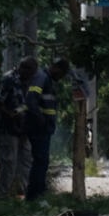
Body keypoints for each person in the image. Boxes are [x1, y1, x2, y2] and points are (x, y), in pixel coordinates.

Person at [24, 57, 70, 201]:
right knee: (40, 161)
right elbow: (31, 100)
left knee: (42, 161)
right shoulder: (41, 78)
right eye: (61, 74)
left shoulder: (46, 80)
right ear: (56, 68)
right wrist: (41, 120)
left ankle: (38, 193)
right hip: (38, 128)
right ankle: (35, 195)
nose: (61, 78)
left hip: (43, 128)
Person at [0, 57, 37, 200]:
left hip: (23, 130)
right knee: (8, 164)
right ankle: (2, 197)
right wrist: (10, 114)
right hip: (7, 130)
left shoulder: (28, 82)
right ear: (23, 68)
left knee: (26, 162)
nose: (31, 76)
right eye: (30, 72)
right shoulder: (9, 79)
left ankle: (26, 195)